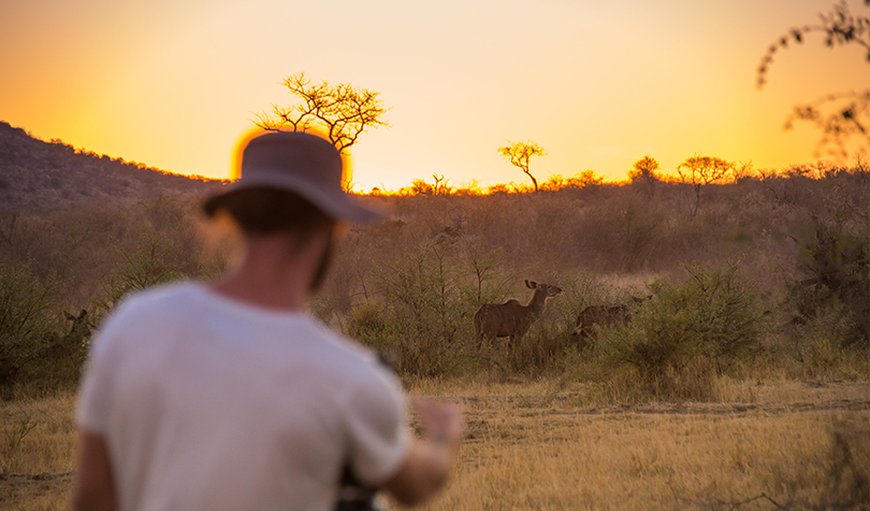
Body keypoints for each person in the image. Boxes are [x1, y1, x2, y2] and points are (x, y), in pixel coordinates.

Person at [72, 131, 464, 511]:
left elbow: (92, 495)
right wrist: (444, 435)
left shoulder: (135, 322)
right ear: (332, 226)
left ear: (234, 219)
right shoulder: (351, 380)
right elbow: (413, 487)